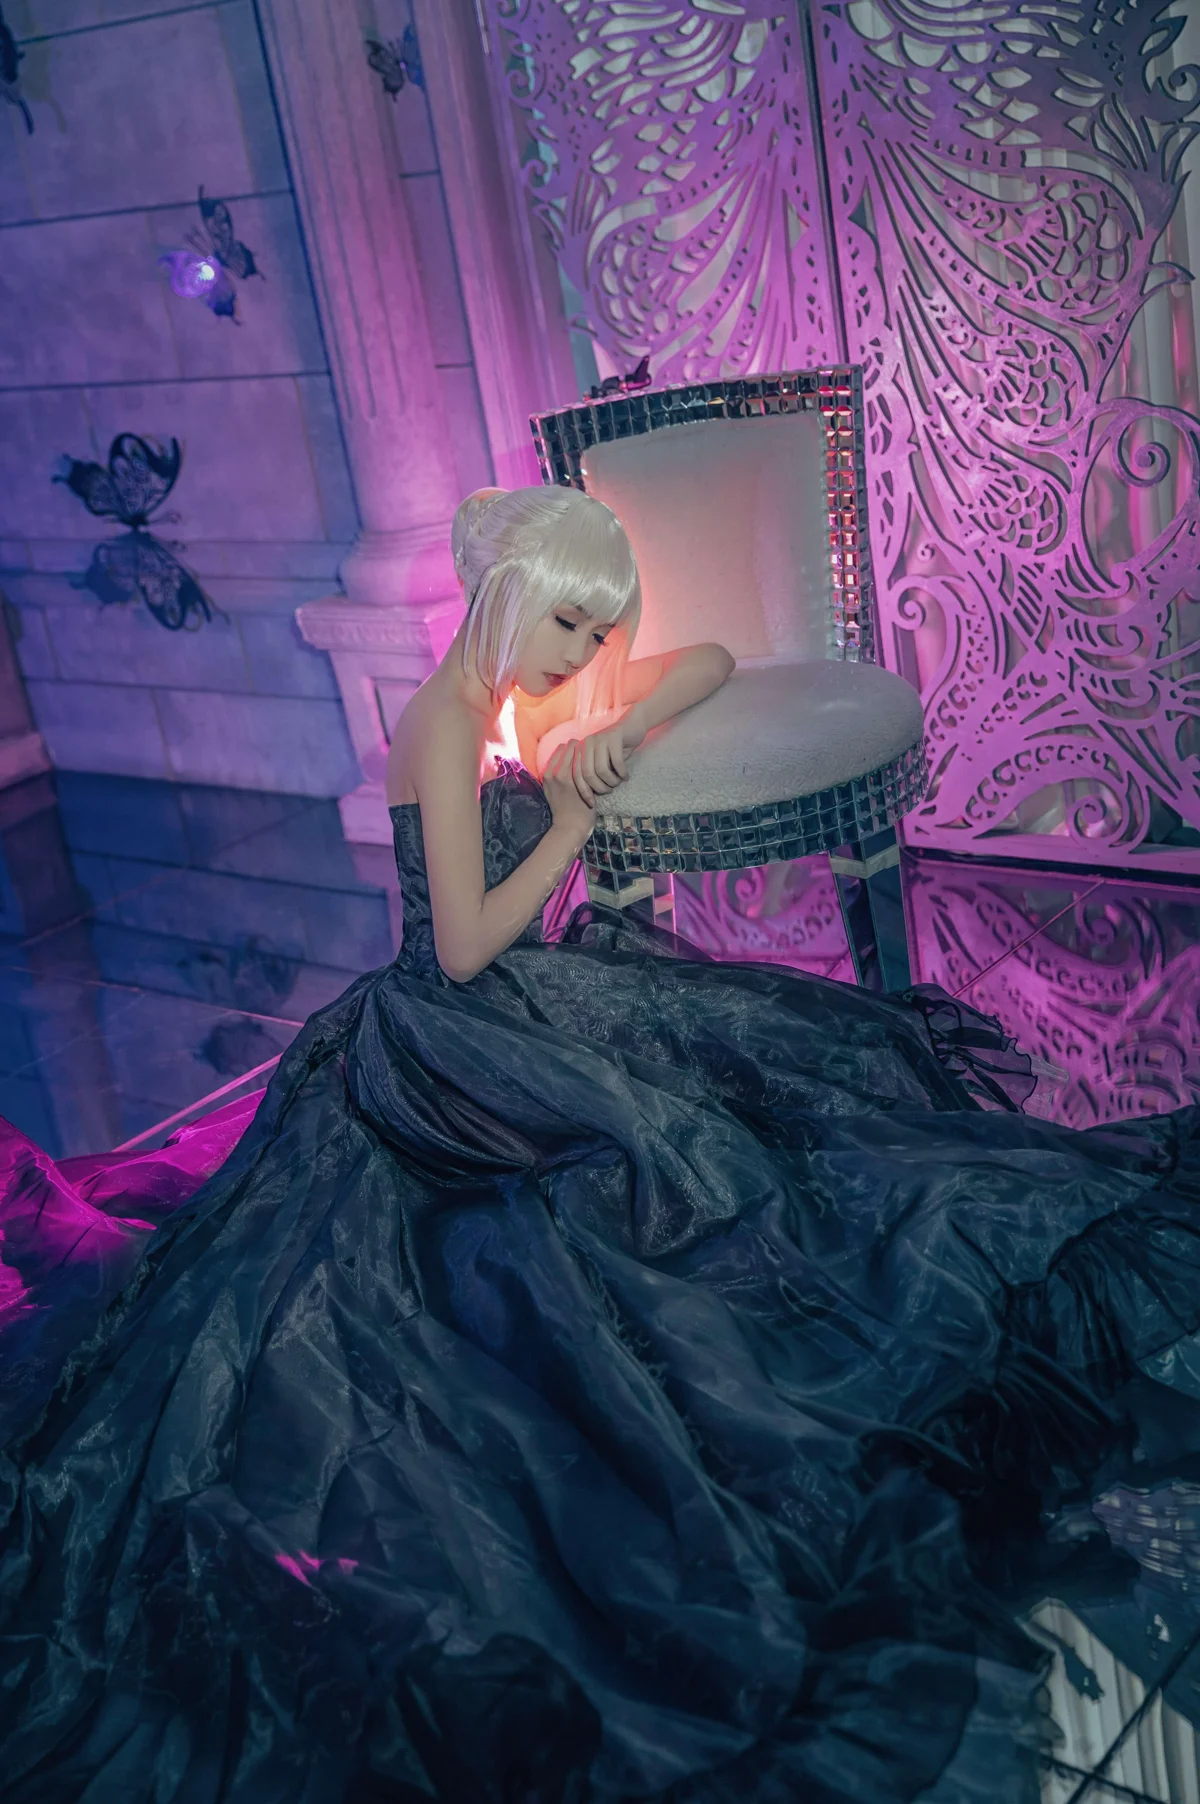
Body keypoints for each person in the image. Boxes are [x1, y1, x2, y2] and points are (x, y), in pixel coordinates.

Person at [2, 484, 1200, 1804]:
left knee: (750, 1130)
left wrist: (614, 723)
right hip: (452, 1025)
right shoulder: (440, 720)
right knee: (617, 1207)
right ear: (510, 598)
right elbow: (463, 947)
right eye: (569, 624)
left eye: (594, 629)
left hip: (527, 996)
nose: (582, 651)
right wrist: (573, 815)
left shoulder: (524, 690)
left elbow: (709, 659)